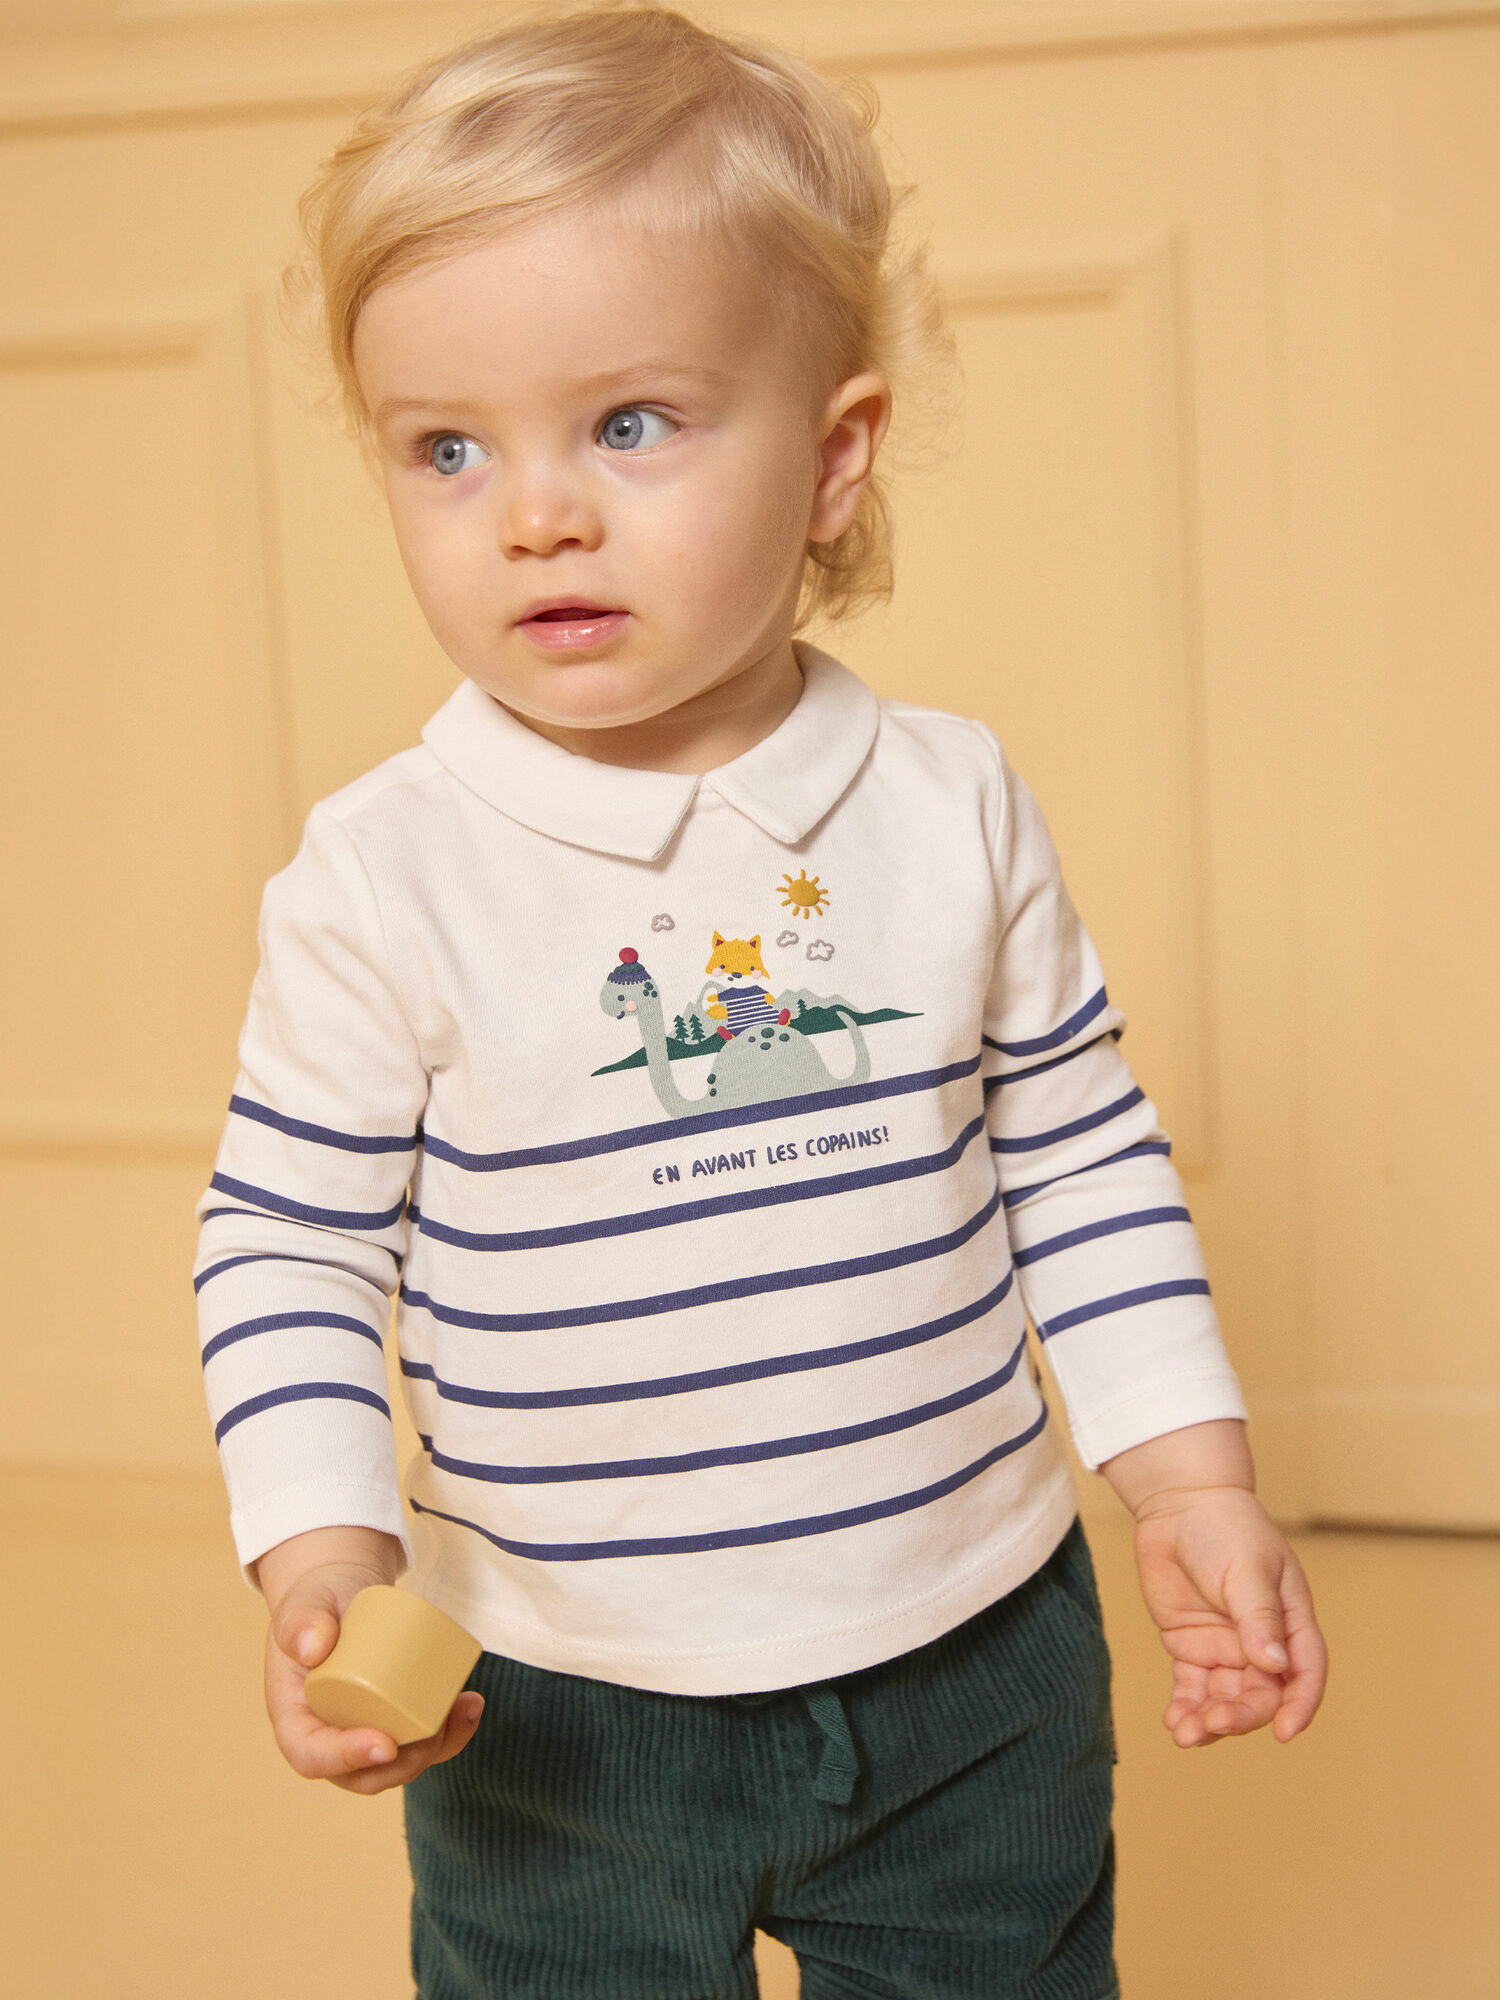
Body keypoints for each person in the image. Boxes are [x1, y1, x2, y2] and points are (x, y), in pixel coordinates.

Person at [194, 8, 1327, 1994]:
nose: (535, 512)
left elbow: (1079, 1159)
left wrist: (1188, 1471)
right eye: (449, 447)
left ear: (833, 456)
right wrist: (324, 1549)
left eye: (629, 424)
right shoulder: (385, 875)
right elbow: (287, 1240)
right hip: (556, 1699)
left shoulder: (950, 804)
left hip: (973, 1656)